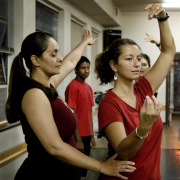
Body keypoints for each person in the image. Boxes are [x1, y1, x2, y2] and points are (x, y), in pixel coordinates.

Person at [5, 28, 136, 180]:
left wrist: (85, 42)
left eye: (58, 53)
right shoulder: (34, 95)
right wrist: (102, 166)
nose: (60, 58)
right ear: (35, 60)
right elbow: (54, 147)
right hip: (43, 174)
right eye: (53, 54)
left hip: (62, 172)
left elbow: (71, 61)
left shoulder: (47, 86)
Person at [95, 4, 175, 180]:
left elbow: (168, 52)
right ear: (114, 65)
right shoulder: (109, 103)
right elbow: (124, 150)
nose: (137, 64)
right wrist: (144, 125)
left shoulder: (144, 89)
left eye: (138, 58)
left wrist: (162, 17)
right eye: (129, 59)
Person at [65, 56, 96, 177]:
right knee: (75, 172)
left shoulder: (88, 88)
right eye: (83, 68)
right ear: (76, 70)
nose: (86, 70)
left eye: (88, 68)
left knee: (83, 171)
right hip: (78, 135)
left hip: (87, 135)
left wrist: (92, 136)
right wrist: (78, 140)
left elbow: (89, 114)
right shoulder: (73, 86)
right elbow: (72, 114)